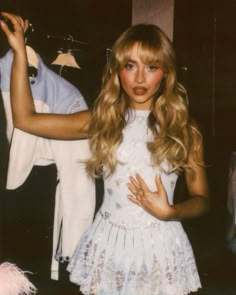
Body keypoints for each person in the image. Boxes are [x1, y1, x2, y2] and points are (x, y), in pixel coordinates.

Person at [1, 12, 209, 295]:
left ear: (167, 73)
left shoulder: (184, 129)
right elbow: (25, 119)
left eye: (151, 67)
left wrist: (171, 211)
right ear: (117, 70)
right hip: (109, 245)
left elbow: (202, 200)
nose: (139, 78)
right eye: (130, 65)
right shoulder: (103, 120)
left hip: (160, 248)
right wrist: (19, 53)